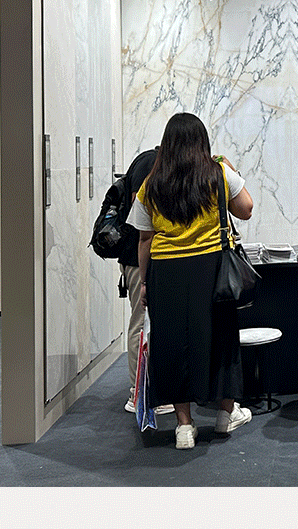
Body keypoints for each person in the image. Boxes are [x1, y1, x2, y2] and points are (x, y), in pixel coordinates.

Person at [126, 112, 255, 450]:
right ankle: (225, 416)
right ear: (202, 141)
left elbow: (144, 238)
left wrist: (144, 283)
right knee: (221, 339)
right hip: (212, 268)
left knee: (172, 345)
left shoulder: (152, 184)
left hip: (167, 271)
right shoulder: (218, 172)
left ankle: (184, 427)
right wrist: (232, 172)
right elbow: (246, 209)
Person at [116, 146, 171, 416]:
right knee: (141, 324)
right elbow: (142, 220)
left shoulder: (151, 162)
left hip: (143, 256)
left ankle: (147, 390)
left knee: (147, 323)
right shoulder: (151, 164)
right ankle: (138, 394)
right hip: (139, 258)